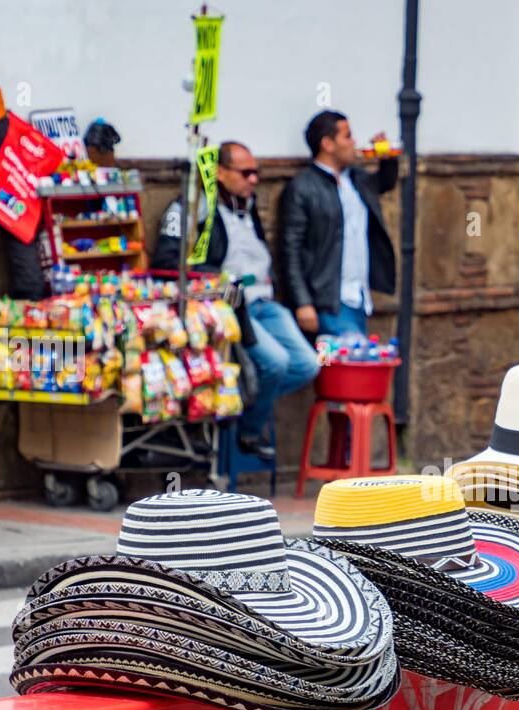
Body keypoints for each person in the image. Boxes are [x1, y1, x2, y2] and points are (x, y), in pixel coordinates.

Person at [152, 141, 318, 459]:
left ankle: (239, 407)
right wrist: (216, 277)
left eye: (256, 172)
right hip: (232, 307)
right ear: (220, 173)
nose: (253, 180)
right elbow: (167, 259)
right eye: (246, 173)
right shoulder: (191, 208)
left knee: (307, 364)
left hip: (265, 301)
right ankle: (249, 431)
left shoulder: (247, 205)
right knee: (275, 362)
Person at [279, 111, 398, 338]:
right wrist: (303, 302)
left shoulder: (356, 179)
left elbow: (383, 183)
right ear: (328, 144)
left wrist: (388, 158)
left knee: (340, 366)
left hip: (358, 295)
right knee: (342, 364)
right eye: (347, 136)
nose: (354, 142)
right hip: (328, 299)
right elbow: (290, 250)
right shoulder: (303, 187)